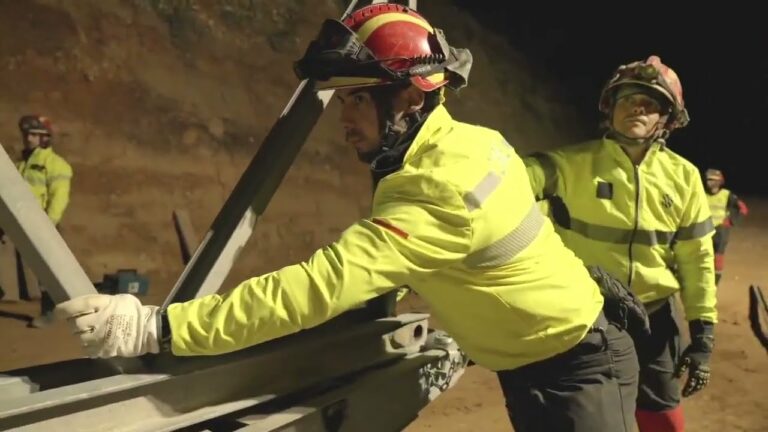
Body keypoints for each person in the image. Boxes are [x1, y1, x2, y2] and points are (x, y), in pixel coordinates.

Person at [55, 5, 641, 431]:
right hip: (545, 353)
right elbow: (520, 228)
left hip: (574, 366)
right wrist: (583, 276)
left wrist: (162, 328)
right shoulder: (476, 141)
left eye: (357, 97)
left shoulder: (435, 185)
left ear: (410, 97)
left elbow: (316, 289)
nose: (344, 117)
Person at [523, 55, 716, 432]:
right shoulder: (566, 165)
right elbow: (507, 180)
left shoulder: (685, 178)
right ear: (610, 109)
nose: (638, 107)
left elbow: (697, 260)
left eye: (651, 101)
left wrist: (704, 335)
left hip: (655, 319)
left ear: (667, 119)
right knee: (585, 416)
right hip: (587, 315)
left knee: (661, 417)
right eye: (628, 98)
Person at [15, 115, 73, 328]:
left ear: (45, 139)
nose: (28, 139)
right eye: (26, 134)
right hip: (23, 223)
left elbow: (59, 198)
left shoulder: (57, 165)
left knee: (47, 272)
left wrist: (47, 225)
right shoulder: (22, 165)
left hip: (45, 225)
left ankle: (49, 313)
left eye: (33, 135)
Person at [703, 168, 748, 285]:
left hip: (720, 230)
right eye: (708, 179)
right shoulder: (701, 194)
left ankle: (714, 285)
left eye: (713, 179)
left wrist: (732, 221)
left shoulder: (727, 195)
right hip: (704, 229)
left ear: (720, 181)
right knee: (703, 257)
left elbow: (743, 209)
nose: (710, 182)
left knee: (718, 257)